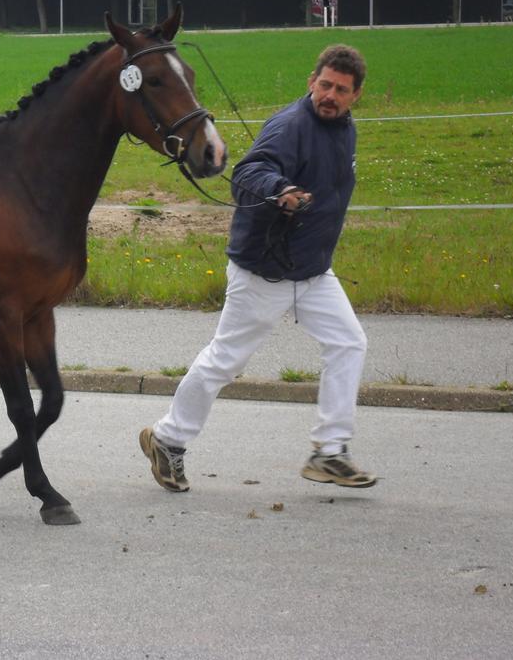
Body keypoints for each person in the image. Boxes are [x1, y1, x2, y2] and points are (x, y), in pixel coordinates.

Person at [139, 44, 376, 492]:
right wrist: (279, 187)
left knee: (349, 342)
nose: (330, 95)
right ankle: (167, 439)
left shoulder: (345, 130)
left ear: (355, 96)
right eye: (324, 85)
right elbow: (250, 172)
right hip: (263, 271)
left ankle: (329, 452)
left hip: (311, 270)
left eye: (341, 90)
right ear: (311, 82)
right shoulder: (290, 126)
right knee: (225, 362)